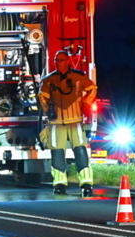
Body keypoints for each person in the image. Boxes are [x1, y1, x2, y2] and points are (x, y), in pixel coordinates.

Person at [39, 49, 97, 196]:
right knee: (57, 152)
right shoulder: (49, 79)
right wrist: (48, 111)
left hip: (75, 120)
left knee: (80, 150)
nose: (59, 63)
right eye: (56, 60)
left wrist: (86, 104)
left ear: (68, 61)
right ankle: (59, 183)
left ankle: (86, 183)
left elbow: (92, 88)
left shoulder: (78, 77)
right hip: (56, 122)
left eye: (62, 60)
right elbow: (42, 96)